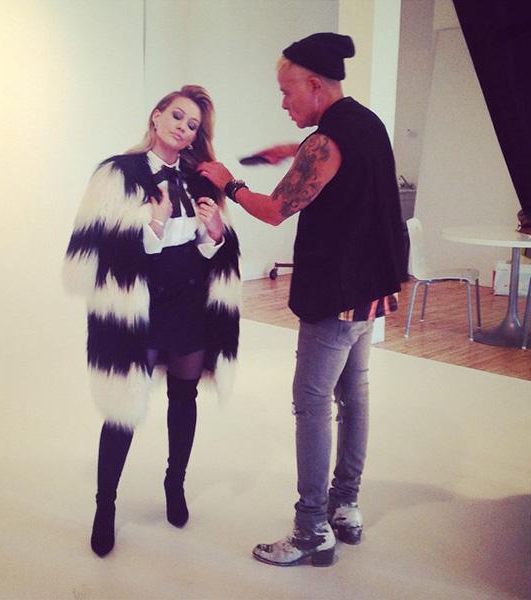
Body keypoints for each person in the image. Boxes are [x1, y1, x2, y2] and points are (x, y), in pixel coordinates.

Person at [199, 33, 405, 567]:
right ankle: (345, 507)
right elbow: (342, 160)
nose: (283, 102)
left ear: (315, 85)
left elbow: (273, 211)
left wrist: (229, 183)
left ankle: (312, 527)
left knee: (312, 403)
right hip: (370, 289)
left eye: (287, 91)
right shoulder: (365, 123)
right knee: (354, 394)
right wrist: (294, 151)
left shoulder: (323, 144)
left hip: (337, 292)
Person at [62, 85, 241, 557]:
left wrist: (215, 234)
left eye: (193, 125)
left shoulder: (200, 180)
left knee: (184, 396)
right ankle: (105, 505)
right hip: (139, 306)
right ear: (157, 115)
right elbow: (98, 249)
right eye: (177, 117)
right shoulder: (117, 174)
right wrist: (154, 223)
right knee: (123, 405)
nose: (183, 129)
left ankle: (174, 484)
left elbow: (209, 251)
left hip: (189, 303)